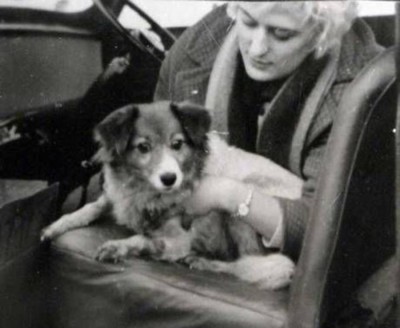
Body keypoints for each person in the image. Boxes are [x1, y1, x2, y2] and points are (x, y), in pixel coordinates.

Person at [153, 1, 383, 260]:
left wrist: (225, 194)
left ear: (322, 31)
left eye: (282, 34)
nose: (257, 48)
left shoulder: (360, 89)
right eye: (249, 22)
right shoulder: (200, 43)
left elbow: (325, 232)